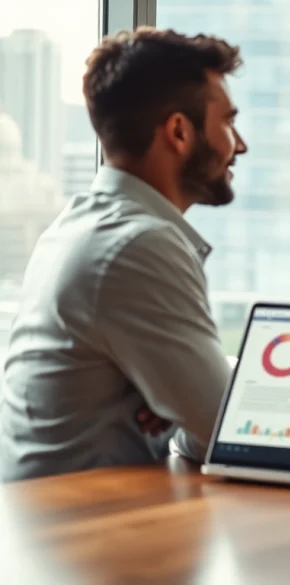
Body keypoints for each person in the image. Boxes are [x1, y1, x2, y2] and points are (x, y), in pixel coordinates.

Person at [0, 27, 248, 481]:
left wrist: (179, 389)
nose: (240, 144)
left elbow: (199, 426)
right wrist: (190, 393)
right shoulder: (138, 245)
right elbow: (228, 430)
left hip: (57, 521)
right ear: (179, 131)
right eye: (228, 122)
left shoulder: (78, 225)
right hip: (80, 532)